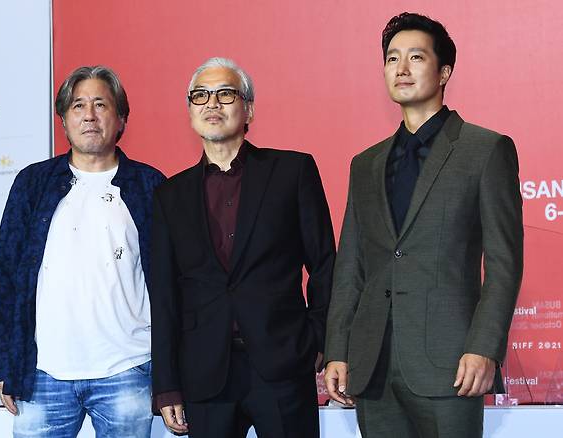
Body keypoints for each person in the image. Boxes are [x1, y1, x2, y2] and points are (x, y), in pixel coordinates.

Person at [324, 12, 523, 438]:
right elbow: (350, 267)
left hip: (451, 363)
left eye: (416, 57)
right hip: (372, 362)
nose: (401, 68)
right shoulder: (366, 164)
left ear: (444, 70)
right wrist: (337, 349)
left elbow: (504, 263)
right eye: (392, 59)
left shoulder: (485, 150)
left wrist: (483, 347)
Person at [150, 57, 335, 437]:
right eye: (200, 96)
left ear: (248, 108)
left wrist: (318, 337)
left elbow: (324, 264)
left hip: (282, 362)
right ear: (190, 112)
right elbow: (165, 295)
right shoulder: (170, 194)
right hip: (205, 371)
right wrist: (167, 382)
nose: (212, 104)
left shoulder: (292, 171)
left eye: (225, 94)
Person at [0, 65, 165, 438]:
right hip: (42, 375)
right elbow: (5, 277)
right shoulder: (32, 184)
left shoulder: (151, 186)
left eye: (101, 104)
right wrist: (6, 365)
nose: (89, 114)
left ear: (120, 118)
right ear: (64, 120)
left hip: (129, 369)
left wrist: (171, 375)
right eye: (77, 105)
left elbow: (173, 284)